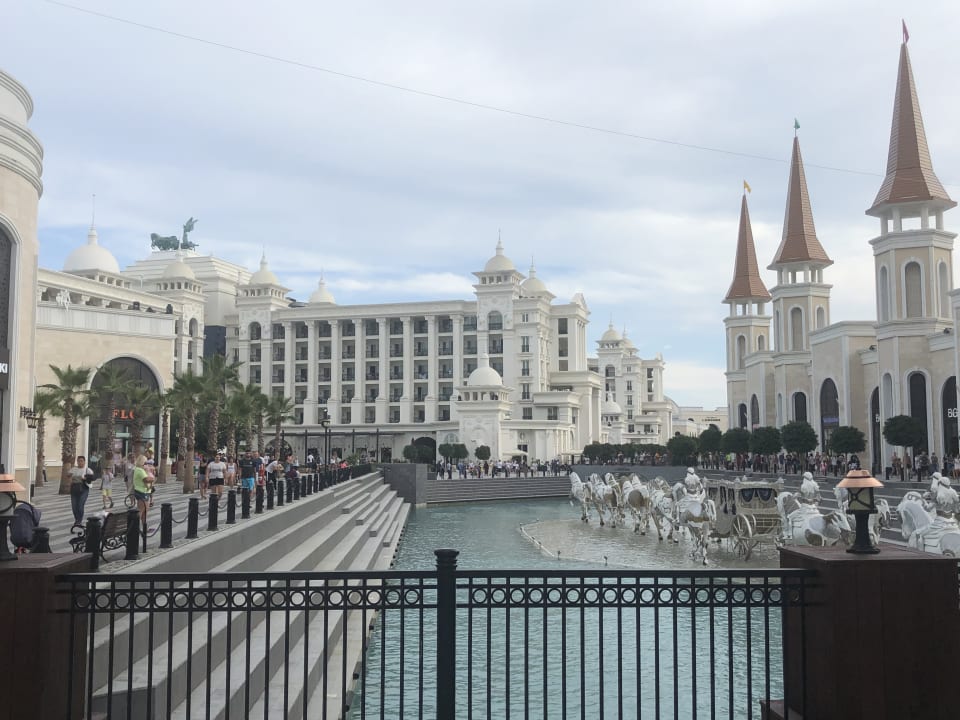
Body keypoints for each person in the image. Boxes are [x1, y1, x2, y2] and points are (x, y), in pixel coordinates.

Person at [69, 455, 94, 525]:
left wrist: (85, 478)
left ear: (84, 462)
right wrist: (69, 475)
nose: (80, 462)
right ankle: (77, 519)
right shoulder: (74, 469)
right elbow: (68, 475)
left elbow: (92, 478)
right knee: (74, 506)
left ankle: (79, 520)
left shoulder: (87, 470)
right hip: (74, 488)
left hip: (84, 488)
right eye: (78, 461)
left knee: (80, 505)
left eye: (81, 461)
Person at [132, 454, 153, 526]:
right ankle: (134, 527)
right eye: (145, 463)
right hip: (141, 492)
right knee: (141, 511)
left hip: (145, 492)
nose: (146, 464)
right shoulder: (139, 470)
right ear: (141, 463)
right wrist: (152, 478)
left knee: (145, 511)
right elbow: (147, 479)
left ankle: (144, 527)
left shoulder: (141, 470)